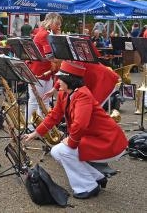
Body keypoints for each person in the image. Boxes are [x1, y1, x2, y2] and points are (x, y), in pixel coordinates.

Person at [23, 61, 127, 199]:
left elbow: (80, 124)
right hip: (96, 138)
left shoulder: (83, 95)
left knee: (62, 151)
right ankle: (96, 177)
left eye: (60, 78)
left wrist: (71, 142)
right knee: (58, 151)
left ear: (69, 80)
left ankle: (88, 186)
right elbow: (54, 116)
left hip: (109, 142)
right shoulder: (63, 94)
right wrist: (36, 133)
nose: (57, 81)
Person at [28, 12, 62, 119]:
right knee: (35, 101)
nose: (59, 26)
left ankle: (41, 127)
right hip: (39, 71)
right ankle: (30, 127)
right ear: (50, 22)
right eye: (57, 24)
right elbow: (50, 56)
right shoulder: (45, 34)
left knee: (44, 100)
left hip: (45, 71)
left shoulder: (45, 33)